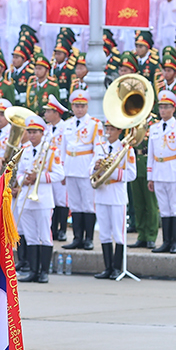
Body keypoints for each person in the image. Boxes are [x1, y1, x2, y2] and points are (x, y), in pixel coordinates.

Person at [13, 112, 63, 283]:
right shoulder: (24, 151)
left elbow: (59, 174)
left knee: (44, 235)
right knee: (30, 235)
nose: (32, 135)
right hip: (26, 199)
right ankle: (33, 271)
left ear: (42, 133)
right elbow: (19, 173)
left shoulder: (50, 151)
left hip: (42, 199)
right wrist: (23, 180)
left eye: (35, 132)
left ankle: (44, 271)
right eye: (30, 132)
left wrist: (38, 178)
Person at [90, 116, 137, 280]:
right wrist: (95, 168)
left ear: (119, 131)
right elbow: (90, 168)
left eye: (111, 130)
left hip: (117, 195)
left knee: (118, 232)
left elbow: (131, 174)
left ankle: (118, 267)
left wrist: (110, 171)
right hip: (102, 194)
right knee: (104, 232)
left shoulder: (126, 149)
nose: (108, 133)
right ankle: (108, 267)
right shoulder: (99, 147)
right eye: (106, 129)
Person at [147, 90, 176, 254]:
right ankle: (166, 241)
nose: (163, 110)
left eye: (166, 107)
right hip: (158, 172)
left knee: (175, 208)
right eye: (161, 107)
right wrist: (150, 176)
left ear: (173, 109)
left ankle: (175, 242)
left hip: (173, 172)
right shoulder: (154, 128)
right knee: (163, 208)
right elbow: (151, 154)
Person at [61, 90, 100, 251]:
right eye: (76, 106)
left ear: (87, 106)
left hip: (85, 166)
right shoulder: (67, 124)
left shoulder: (94, 124)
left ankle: (88, 238)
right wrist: (62, 170)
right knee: (75, 204)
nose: (79, 109)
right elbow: (63, 149)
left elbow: (97, 148)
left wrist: (94, 169)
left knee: (88, 205)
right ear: (72, 107)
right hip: (70, 166)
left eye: (82, 106)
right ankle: (77, 238)